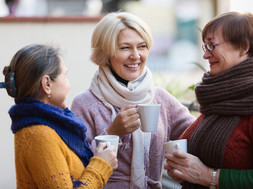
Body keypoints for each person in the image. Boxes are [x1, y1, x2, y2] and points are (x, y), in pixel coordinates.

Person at [71, 12, 195, 189]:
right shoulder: (85, 103)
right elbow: (76, 167)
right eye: (125, 48)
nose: (136, 56)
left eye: (142, 46)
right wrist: (113, 132)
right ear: (106, 53)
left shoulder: (160, 98)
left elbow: (197, 135)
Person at [0, 44, 118, 188]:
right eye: (65, 76)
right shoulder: (39, 134)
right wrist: (101, 166)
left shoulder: (49, 126)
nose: (68, 84)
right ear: (47, 84)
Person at [164, 11, 253, 189]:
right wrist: (184, 171)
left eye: (212, 45)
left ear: (243, 47)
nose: (205, 55)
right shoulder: (218, 100)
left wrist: (208, 176)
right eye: (205, 47)